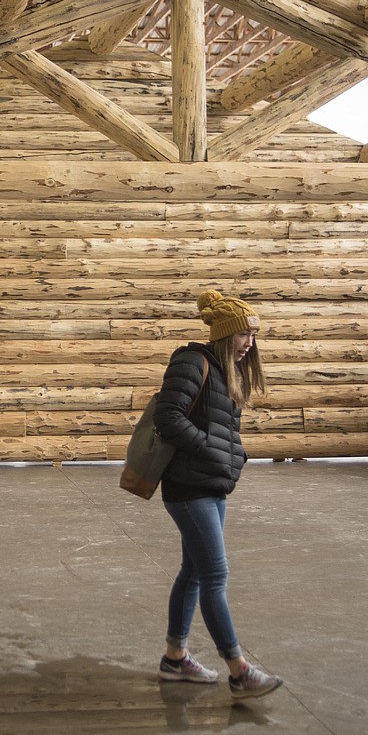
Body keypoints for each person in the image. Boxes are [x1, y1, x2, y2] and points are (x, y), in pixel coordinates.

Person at [152, 288, 282, 701]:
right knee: (215, 576)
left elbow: (223, 429)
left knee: (193, 572)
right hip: (189, 489)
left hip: (210, 484)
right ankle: (239, 670)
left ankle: (175, 659)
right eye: (244, 334)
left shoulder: (228, 370)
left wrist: (234, 456)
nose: (250, 343)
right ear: (226, 333)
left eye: (254, 335)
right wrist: (211, 449)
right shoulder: (192, 362)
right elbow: (167, 417)